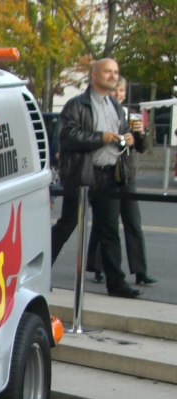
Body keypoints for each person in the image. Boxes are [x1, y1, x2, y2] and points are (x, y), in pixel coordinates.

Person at [50, 58, 141, 298]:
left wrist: (129, 138)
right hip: (83, 175)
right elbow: (67, 136)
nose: (113, 76)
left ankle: (116, 283)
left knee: (109, 230)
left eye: (116, 72)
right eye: (108, 71)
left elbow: (124, 133)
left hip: (110, 175)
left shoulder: (116, 106)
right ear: (94, 75)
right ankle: (38, 271)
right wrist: (101, 138)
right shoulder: (77, 105)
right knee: (67, 225)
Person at [87, 78, 155, 285]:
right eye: (116, 90)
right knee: (105, 223)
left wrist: (140, 133)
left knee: (133, 222)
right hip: (105, 173)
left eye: (122, 90)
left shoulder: (131, 114)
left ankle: (140, 271)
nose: (119, 94)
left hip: (126, 174)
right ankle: (99, 267)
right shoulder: (99, 112)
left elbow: (142, 147)